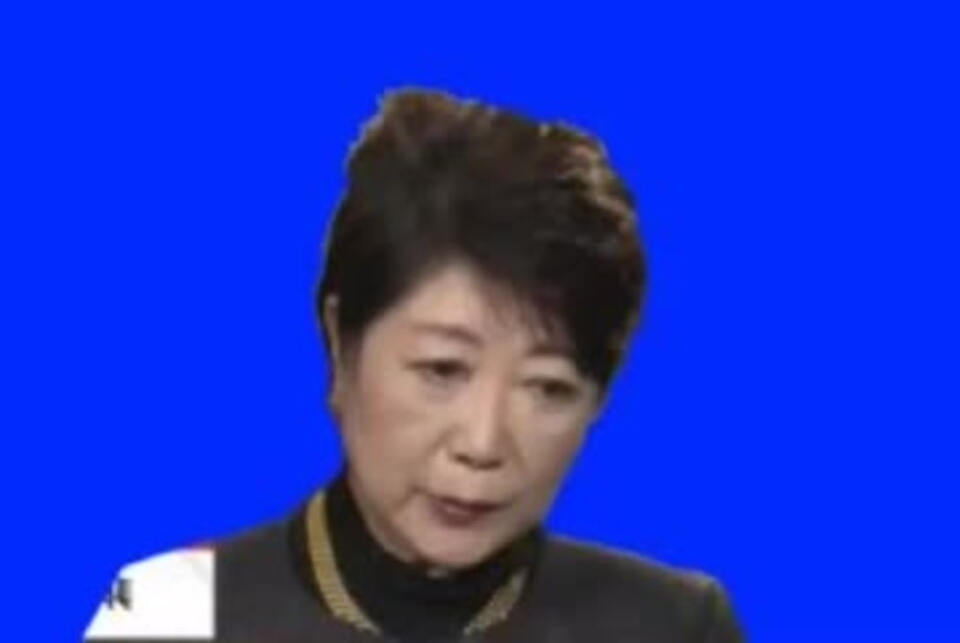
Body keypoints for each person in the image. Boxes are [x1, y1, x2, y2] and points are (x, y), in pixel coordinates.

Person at [85, 89, 745, 642]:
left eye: (548, 387)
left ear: (598, 401)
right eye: (443, 370)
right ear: (340, 344)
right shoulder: (166, 610)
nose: (483, 444)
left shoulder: (676, 625)